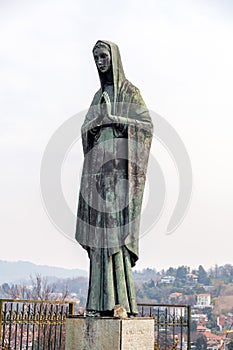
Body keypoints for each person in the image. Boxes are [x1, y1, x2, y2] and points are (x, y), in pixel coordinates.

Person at [76, 40, 153, 316]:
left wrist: (114, 119)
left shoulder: (130, 93)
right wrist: (96, 123)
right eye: (95, 57)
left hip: (119, 174)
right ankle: (97, 303)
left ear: (114, 58)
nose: (99, 61)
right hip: (97, 172)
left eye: (103, 56)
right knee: (98, 236)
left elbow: (146, 127)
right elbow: (86, 128)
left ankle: (121, 302)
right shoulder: (97, 96)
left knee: (114, 236)